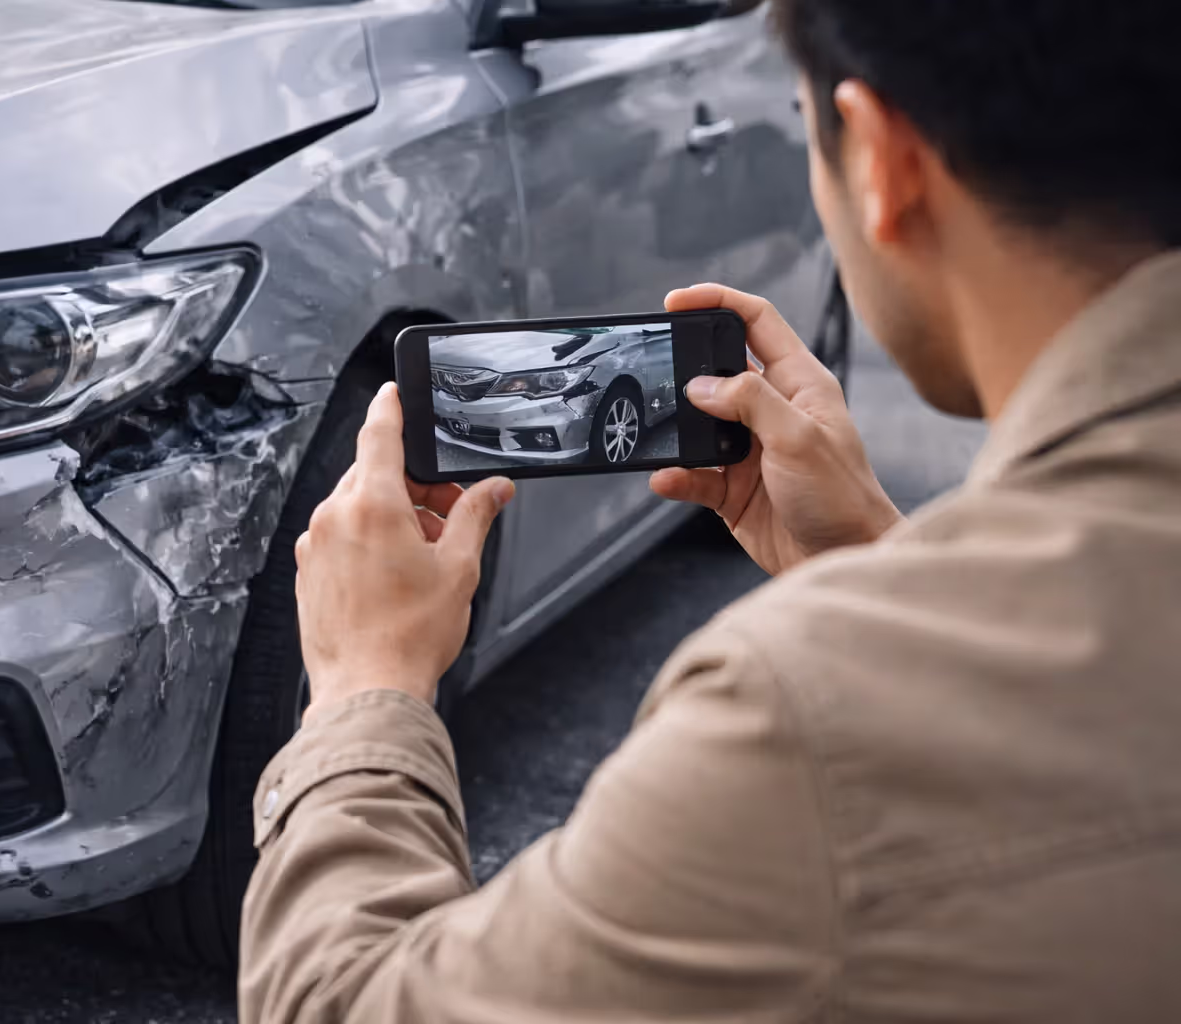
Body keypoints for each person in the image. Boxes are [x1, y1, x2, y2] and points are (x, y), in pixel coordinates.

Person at [239, 0, 1181, 1019]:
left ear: (879, 161)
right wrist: (873, 556)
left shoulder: (801, 720)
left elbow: (348, 1002)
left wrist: (363, 688)